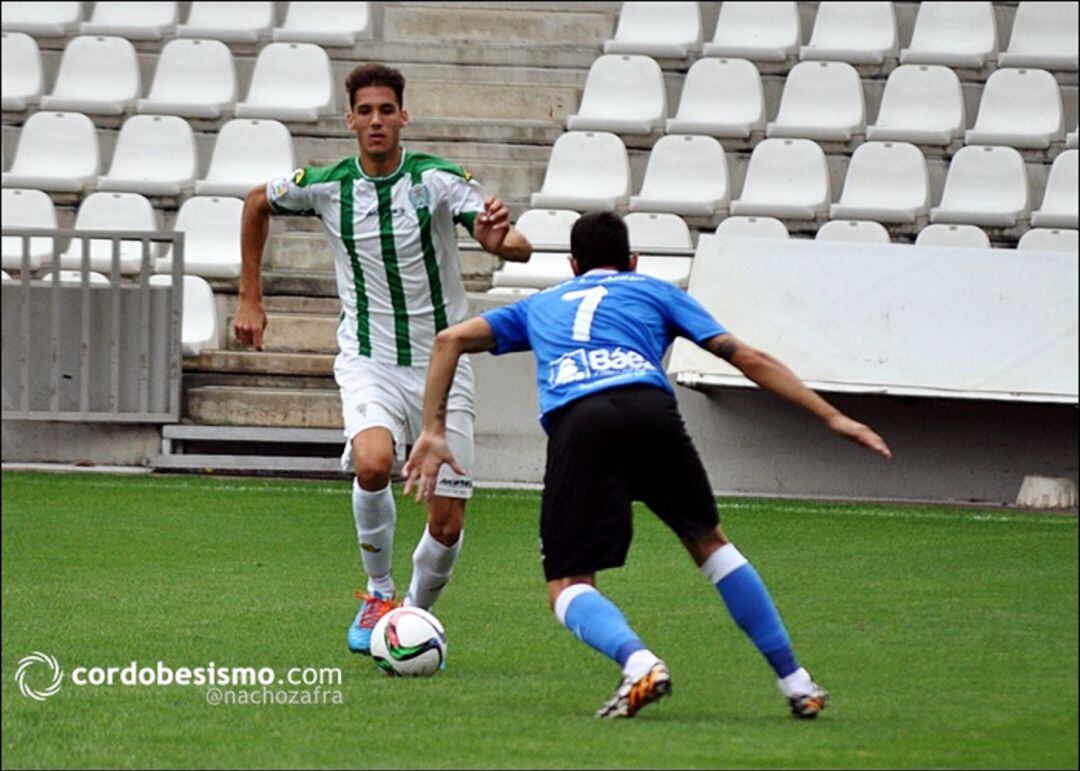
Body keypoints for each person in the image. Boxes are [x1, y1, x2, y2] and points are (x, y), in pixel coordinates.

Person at [403, 210, 892, 719]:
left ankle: (639, 663)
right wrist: (833, 417)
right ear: (633, 261)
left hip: (581, 420)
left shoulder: (540, 304)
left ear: (573, 266)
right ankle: (796, 682)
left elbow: (448, 340)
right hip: (650, 409)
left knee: (568, 584)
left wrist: (433, 430)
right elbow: (748, 358)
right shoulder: (655, 292)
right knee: (711, 544)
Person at [234, 63, 533, 655]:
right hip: (367, 358)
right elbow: (254, 203)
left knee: (446, 525)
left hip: (442, 366)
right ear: (350, 120)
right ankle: (378, 592)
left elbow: (513, 242)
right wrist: (250, 295)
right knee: (372, 463)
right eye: (365, 111)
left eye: (386, 110)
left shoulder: (437, 181)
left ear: (404, 116)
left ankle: (412, 619)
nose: (376, 121)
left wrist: (503, 241)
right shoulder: (326, 185)